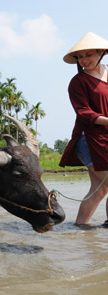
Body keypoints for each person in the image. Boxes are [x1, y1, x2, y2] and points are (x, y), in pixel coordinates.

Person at [59, 32, 108, 227]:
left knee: (100, 187)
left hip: (105, 137)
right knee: (102, 187)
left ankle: (84, 229)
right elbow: (84, 113)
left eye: (89, 55)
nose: (84, 60)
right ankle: (82, 228)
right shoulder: (78, 82)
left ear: (100, 52)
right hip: (90, 138)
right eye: (80, 57)